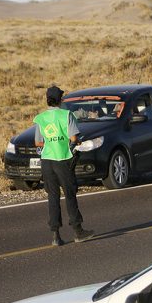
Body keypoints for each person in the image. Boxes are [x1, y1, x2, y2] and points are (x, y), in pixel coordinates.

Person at [34, 86, 95, 246]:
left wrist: (51, 141)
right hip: (63, 158)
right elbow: (74, 138)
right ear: (60, 100)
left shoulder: (41, 118)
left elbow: (38, 142)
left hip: (47, 160)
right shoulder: (66, 115)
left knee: (52, 196)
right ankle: (78, 231)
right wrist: (74, 142)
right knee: (69, 194)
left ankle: (55, 235)